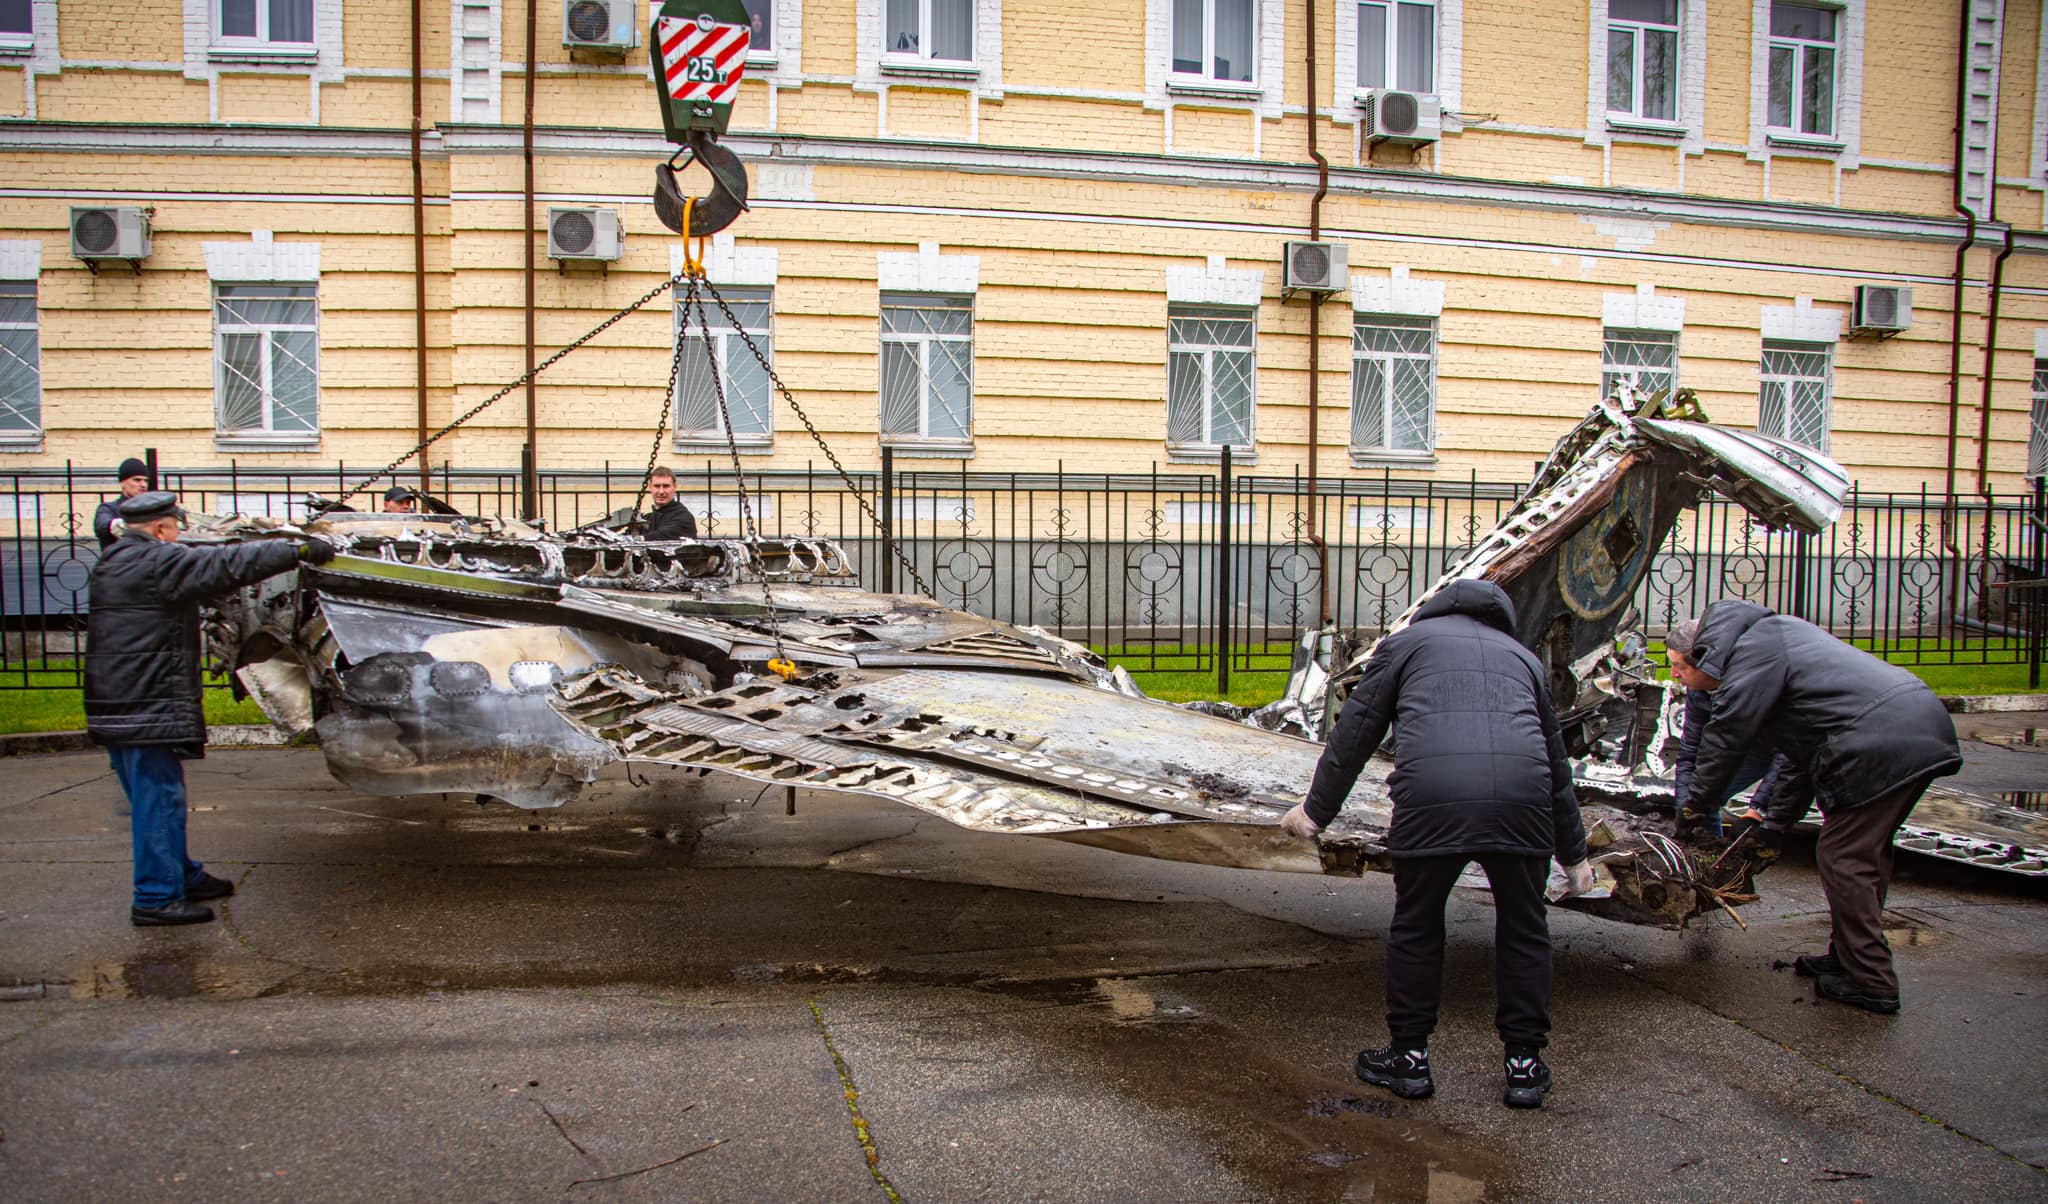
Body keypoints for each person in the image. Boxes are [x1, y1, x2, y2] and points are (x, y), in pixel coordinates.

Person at [1280, 579, 1593, 1110]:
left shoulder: (1404, 645)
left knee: (1418, 926)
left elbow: (1355, 733)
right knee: (1523, 930)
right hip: (1524, 802)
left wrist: (1314, 812)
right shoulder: (1523, 658)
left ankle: (1410, 1060)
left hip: (1432, 800)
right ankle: (1524, 1065)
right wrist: (1574, 855)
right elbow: (1556, 763)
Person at [1681, 600, 1961, 1015]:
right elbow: (1799, 757)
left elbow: (1726, 738)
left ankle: (1872, 981)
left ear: (1704, 653)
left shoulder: (1752, 654)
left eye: (1679, 666)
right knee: (1864, 854)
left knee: (1844, 858)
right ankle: (1850, 957)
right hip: (1908, 727)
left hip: (1883, 739)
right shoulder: (1771, 638)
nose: (1674, 675)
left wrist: (1693, 809)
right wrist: (1775, 823)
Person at [85, 491, 333, 926]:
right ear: (162, 528)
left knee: (154, 798)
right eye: (175, 528)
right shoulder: (157, 562)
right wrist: (299, 550)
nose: (179, 535)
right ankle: (156, 898)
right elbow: (227, 565)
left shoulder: (117, 560)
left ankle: (180, 876)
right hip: (146, 704)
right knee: (158, 801)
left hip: (120, 700)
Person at [1664, 618, 1797, 844]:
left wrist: (1758, 809)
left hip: (1796, 749)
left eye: (1680, 666)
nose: (1673, 675)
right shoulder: (1701, 688)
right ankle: (1710, 868)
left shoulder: (1763, 683)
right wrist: (1686, 808)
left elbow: (1791, 755)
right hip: (1747, 744)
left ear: (1707, 663)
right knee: (1700, 804)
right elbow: (1691, 755)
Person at [92, 457, 150, 548]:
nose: (143, 485)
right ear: (123, 483)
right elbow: (103, 525)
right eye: (137, 480)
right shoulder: (108, 509)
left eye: (146, 480)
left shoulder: (152, 510)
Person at [640, 466, 698, 540]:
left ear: (675, 487)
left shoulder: (684, 518)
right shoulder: (648, 519)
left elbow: (665, 535)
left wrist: (640, 539)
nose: (661, 492)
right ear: (650, 487)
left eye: (666, 486)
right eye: (657, 486)